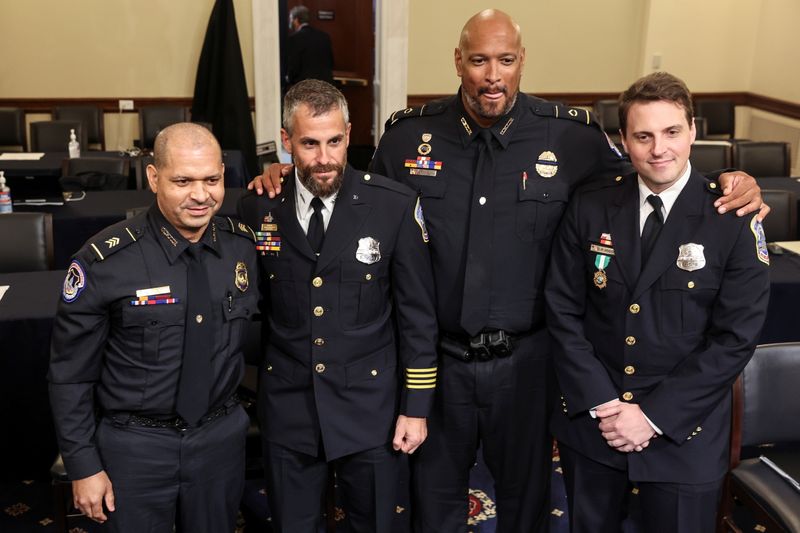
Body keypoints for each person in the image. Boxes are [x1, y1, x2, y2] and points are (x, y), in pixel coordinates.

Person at [250, 10, 766, 532]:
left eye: (506, 59)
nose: (492, 74)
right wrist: (287, 170)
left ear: (522, 62)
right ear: (458, 61)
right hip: (440, 364)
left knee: (527, 505)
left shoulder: (574, 138)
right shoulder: (409, 138)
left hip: (528, 366)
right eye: (478, 60)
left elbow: (651, 176)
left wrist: (729, 180)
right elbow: (356, 198)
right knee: (432, 503)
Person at [546, 72, 770, 533]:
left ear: (693, 131)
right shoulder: (590, 205)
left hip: (684, 435)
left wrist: (651, 417)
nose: (658, 149)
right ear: (623, 141)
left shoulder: (731, 217)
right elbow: (563, 311)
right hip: (597, 425)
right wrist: (607, 406)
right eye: (643, 136)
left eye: (671, 132)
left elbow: (734, 339)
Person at [237, 79, 438, 533]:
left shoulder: (394, 207)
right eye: (309, 143)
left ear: (348, 134)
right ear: (286, 140)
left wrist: (417, 407)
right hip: (290, 409)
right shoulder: (256, 209)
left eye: (334, 141)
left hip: (372, 409)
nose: (323, 158)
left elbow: (418, 319)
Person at [48, 122, 258, 533]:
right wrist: (83, 465)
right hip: (135, 448)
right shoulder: (105, 262)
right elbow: (70, 375)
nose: (201, 195)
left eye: (212, 179)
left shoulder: (243, 248)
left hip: (220, 443)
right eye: (182, 181)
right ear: (153, 177)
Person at [285, 5, 334, 88]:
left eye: (290, 19)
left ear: (296, 20)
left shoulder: (294, 38)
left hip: (305, 87)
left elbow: (294, 65)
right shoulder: (324, 36)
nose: (290, 22)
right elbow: (331, 62)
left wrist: (289, 78)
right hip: (325, 86)